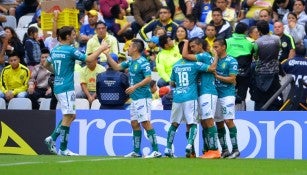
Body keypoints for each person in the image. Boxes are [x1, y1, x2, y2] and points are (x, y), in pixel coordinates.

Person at [43, 26, 110, 156]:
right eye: (73, 34)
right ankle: (61, 147)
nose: (75, 37)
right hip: (66, 88)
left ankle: (54, 139)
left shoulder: (55, 49)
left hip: (57, 86)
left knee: (71, 116)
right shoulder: (70, 50)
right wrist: (101, 48)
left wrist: (57, 73)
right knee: (68, 116)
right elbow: (90, 59)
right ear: (67, 36)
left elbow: (45, 65)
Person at [106, 38, 162, 158]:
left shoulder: (143, 62)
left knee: (145, 122)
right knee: (134, 123)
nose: (127, 48)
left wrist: (134, 87)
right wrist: (106, 54)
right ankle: (136, 151)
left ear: (135, 48)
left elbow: (148, 78)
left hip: (143, 97)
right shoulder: (131, 61)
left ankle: (156, 151)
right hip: (135, 98)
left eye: (130, 46)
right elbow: (116, 67)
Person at [164, 41, 216, 158]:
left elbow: (172, 82)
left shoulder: (176, 65)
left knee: (174, 123)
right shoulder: (195, 64)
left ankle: (168, 148)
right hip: (190, 96)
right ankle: (189, 145)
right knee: (192, 123)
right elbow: (212, 68)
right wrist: (215, 56)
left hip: (177, 97)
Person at [182, 38, 220, 158]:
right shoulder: (205, 57)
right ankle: (207, 149)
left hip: (207, 92)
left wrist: (186, 41)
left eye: (193, 47)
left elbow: (184, 55)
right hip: (202, 92)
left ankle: (214, 150)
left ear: (200, 46)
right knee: (204, 122)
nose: (192, 49)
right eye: (191, 47)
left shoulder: (203, 55)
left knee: (208, 120)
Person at [212, 38, 239, 159]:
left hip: (227, 94)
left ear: (223, 47)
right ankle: (225, 150)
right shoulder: (214, 60)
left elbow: (232, 79)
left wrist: (217, 76)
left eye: (216, 47)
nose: (214, 49)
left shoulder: (231, 61)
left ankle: (235, 149)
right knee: (218, 122)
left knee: (228, 120)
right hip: (215, 95)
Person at [251, 20, 282, 111]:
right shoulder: (277, 39)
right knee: (274, 97)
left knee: (260, 100)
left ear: (259, 31)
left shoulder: (257, 42)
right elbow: (278, 50)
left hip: (261, 74)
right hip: (274, 73)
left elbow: (256, 57)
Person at [226, 22, 254, 110]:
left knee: (227, 95)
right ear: (245, 32)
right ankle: (242, 115)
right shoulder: (250, 43)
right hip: (243, 74)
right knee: (241, 97)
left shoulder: (226, 41)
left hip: (228, 73)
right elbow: (255, 56)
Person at [281, 46, 307, 110]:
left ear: (295, 52)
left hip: (289, 97)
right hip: (305, 96)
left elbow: (279, 72)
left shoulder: (287, 62)